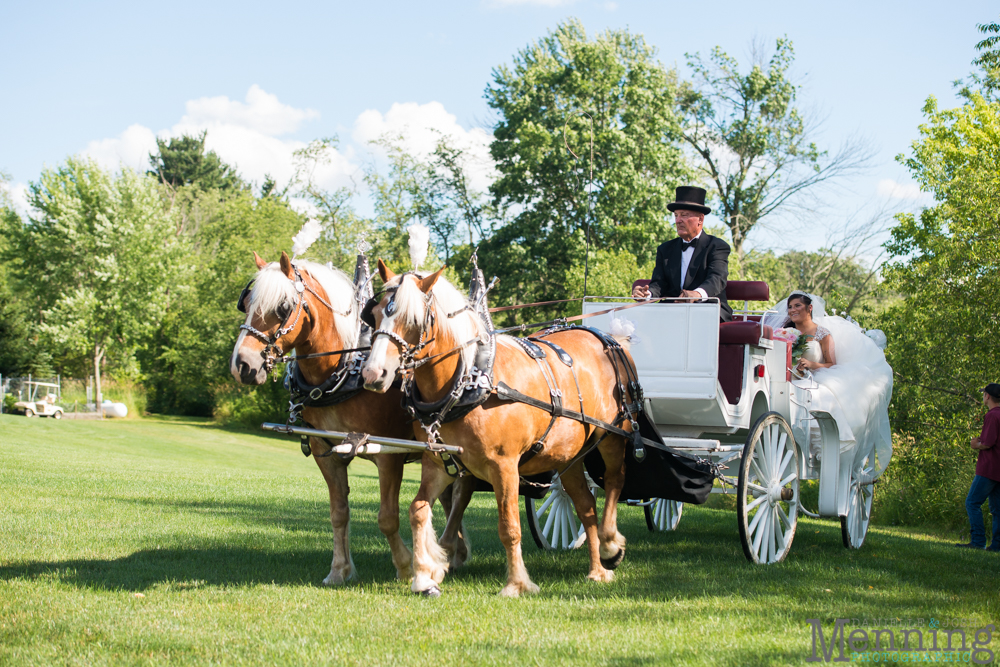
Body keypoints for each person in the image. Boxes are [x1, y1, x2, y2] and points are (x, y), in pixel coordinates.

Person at [763, 292, 894, 476]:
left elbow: (831, 364)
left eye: (797, 306)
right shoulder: (784, 332)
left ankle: (822, 446)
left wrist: (811, 365)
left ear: (809, 308)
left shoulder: (822, 334)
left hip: (815, 377)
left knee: (817, 396)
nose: (792, 310)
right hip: (787, 377)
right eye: (790, 307)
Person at [631, 186, 732, 322]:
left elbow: (717, 279)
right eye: (676, 215)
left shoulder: (717, 246)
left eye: (684, 215)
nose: (678, 221)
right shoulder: (665, 249)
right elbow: (659, 284)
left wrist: (696, 294)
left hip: (707, 310)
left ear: (700, 219)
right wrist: (647, 294)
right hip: (672, 312)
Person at [956, 383, 1000, 551]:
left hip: (988, 468)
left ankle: (978, 540)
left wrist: (975, 444)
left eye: (984, 394)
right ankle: (996, 545)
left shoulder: (992, 416)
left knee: (972, 502)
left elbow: (988, 443)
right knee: (997, 508)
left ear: (987, 396)